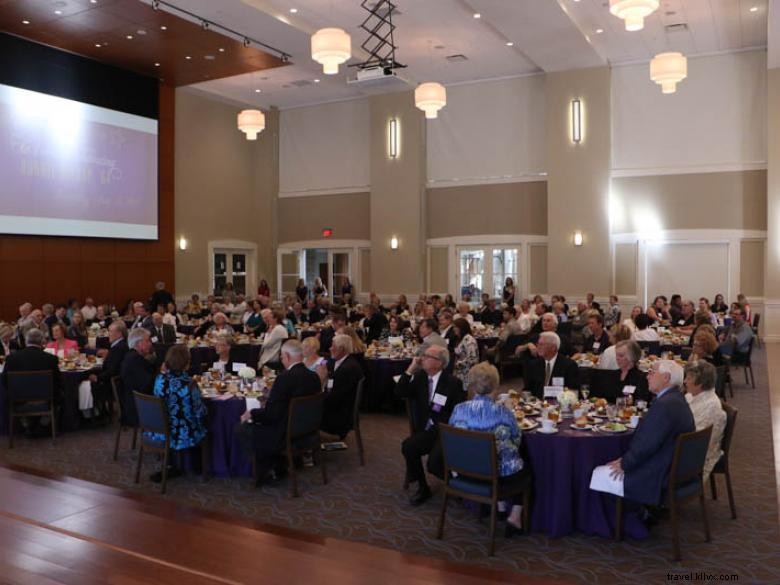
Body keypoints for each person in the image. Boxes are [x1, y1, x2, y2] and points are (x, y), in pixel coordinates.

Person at [590, 360, 694, 505]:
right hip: (671, 465)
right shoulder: (676, 398)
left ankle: (619, 520)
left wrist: (624, 464)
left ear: (666, 377)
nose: (647, 377)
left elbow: (646, 445)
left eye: (651, 372)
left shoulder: (664, 405)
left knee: (596, 473)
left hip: (657, 473)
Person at [449, 362, 528, 535]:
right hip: (496, 476)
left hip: (463, 472)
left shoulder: (458, 409)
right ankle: (514, 518)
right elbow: (516, 441)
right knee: (523, 467)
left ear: (471, 385)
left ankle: (499, 507)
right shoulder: (503, 412)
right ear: (496, 385)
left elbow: (453, 440)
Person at [238, 340, 322, 485]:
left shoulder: (284, 378)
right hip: (307, 430)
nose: (281, 360)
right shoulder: (313, 377)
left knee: (242, 428)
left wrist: (252, 413)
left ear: (287, 356)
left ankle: (268, 469)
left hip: (285, 433)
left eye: (282, 357)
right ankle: (278, 464)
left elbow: (272, 415)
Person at [395, 344, 465, 506]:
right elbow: (400, 392)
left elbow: (458, 412)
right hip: (424, 430)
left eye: (427, 356)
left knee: (433, 464)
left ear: (439, 363)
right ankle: (422, 486)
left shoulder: (452, 383)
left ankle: (459, 484)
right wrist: (410, 370)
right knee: (408, 446)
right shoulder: (420, 377)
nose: (422, 358)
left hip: (443, 431)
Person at [148, 344, 208, 482]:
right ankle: (197, 466)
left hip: (160, 428)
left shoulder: (160, 379)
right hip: (183, 432)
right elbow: (199, 412)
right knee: (204, 424)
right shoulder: (190, 384)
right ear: (186, 363)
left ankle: (172, 464)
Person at [1, 329, 62, 435]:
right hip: (46, 399)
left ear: (26, 340)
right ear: (42, 341)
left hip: (19, 400)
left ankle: (26, 423)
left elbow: (5, 382)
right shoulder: (51, 359)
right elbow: (57, 382)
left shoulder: (12, 359)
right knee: (61, 394)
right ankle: (43, 424)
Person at [683, 361, 726, 482]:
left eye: (689, 378)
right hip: (687, 445)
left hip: (697, 457)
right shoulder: (693, 395)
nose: (685, 381)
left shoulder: (710, 407)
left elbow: (694, 440)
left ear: (700, 383)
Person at [321, 334, 364, 438]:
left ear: (341, 349)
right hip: (342, 406)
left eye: (332, 346)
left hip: (340, 414)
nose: (330, 348)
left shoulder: (347, 369)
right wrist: (322, 363)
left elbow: (333, 398)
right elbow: (326, 360)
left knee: (301, 410)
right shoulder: (347, 361)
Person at [119, 328, 158, 427]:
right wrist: (161, 373)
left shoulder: (132, 356)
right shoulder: (135, 360)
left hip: (135, 403)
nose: (150, 344)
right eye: (147, 341)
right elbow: (147, 385)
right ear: (139, 343)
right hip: (138, 409)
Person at [523, 332, 579, 398]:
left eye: (541, 344)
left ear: (553, 348)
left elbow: (573, 392)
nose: (538, 347)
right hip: (537, 404)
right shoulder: (533, 365)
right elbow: (527, 389)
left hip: (559, 404)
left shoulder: (569, 365)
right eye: (537, 344)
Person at [89, 321, 128, 415]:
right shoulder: (120, 345)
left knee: (88, 385)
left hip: (113, 383)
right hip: (114, 380)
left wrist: (97, 378)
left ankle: (97, 415)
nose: (108, 334)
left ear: (119, 333)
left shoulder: (118, 348)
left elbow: (112, 370)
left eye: (110, 331)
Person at [452, 318, 479, 385]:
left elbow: (472, 359)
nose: (454, 329)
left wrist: (457, 364)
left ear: (461, 328)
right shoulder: (461, 338)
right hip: (460, 372)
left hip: (467, 373)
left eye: (456, 327)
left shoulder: (469, 340)